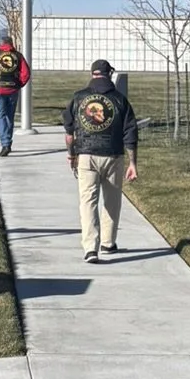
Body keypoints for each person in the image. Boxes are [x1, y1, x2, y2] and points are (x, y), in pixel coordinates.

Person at [62, 59, 139, 262]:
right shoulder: (120, 100)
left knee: (88, 202)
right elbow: (130, 132)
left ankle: (90, 248)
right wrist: (133, 163)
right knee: (112, 201)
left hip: (86, 155)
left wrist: (72, 155)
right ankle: (108, 242)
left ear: (92, 74)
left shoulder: (78, 98)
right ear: (109, 74)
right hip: (113, 155)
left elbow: (69, 133)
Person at [0, 28, 31, 155]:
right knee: (9, 117)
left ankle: (5, 143)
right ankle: (7, 141)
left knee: (0, 116)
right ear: (12, 44)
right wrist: (19, 84)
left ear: (1, 44)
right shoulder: (18, 56)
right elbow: (26, 73)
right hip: (13, 90)